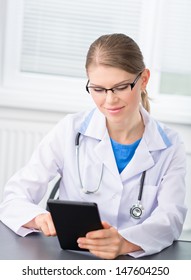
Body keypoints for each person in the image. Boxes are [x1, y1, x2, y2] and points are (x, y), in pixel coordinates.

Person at [0, 33, 187, 259]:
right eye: (98, 89)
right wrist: (40, 218)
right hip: (74, 258)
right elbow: (13, 198)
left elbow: (171, 218)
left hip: (136, 262)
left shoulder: (169, 145)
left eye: (120, 87)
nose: (109, 100)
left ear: (144, 80)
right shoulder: (70, 130)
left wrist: (125, 242)